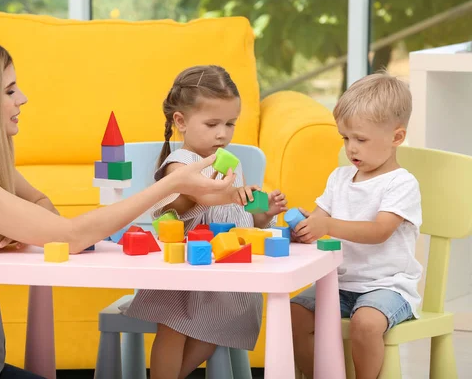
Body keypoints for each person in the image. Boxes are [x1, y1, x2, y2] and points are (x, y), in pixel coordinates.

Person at [0, 37, 235, 379]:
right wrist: (170, 184)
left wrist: (14, 223)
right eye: (9, 90)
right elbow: (70, 235)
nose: (23, 98)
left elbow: (43, 206)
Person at [123, 65, 288, 379]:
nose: (222, 133)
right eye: (212, 123)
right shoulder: (181, 164)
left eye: (230, 123)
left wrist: (263, 214)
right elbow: (188, 203)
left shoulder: (230, 164)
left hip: (224, 272)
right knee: (173, 328)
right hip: (186, 271)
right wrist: (221, 193)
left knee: (214, 332)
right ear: (181, 122)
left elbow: (236, 219)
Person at [290, 72, 422, 379]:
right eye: (345, 138)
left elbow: (379, 232)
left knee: (366, 324)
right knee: (294, 313)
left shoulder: (401, 183)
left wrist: (327, 225)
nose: (351, 148)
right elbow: (318, 220)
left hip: (388, 286)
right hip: (338, 285)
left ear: (396, 137)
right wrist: (304, 226)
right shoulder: (339, 178)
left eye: (360, 139)